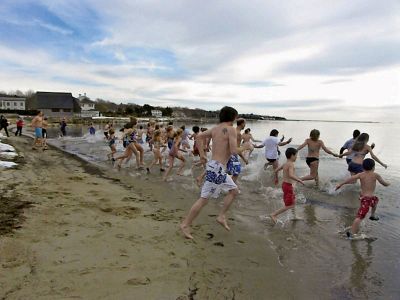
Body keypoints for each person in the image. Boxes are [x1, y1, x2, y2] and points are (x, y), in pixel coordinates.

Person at [180, 106, 239, 239]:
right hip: (217, 168)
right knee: (203, 200)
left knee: (234, 191)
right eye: (236, 117)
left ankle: (221, 216)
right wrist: (246, 147)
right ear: (233, 117)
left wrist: (202, 155)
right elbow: (235, 151)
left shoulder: (215, 129)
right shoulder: (231, 129)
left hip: (216, 167)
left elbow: (199, 137)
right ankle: (185, 224)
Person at [335, 158, 390, 238]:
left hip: (365, 198)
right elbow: (384, 183)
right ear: (373, 167)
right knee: (359, 217)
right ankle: (352, 234)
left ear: (363, 167)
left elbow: (351, 179)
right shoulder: (376, 175)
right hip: (366, 200)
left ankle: (373, 215)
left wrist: (341, 184)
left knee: (375, 200)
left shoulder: (361, 174)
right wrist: (388, 183)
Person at [270, 148, 304, 224]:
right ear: (292, 155)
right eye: (296, 155)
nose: (296, 157)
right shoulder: (291, 164)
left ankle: (294, 216)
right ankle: (274, 214)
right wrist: (299, 180)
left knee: (293, 201)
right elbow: (291, 175)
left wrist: (276, 179)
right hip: (288, 186)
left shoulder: (285, 163)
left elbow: (276, 170)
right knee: (289, 205)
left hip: (284, 185)